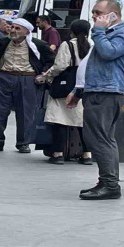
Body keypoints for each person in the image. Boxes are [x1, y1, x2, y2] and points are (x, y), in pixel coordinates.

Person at [67, 0, 124, 200]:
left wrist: (97, 31)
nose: (94, 17)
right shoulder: (106, 35)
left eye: (98, 13)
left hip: (107, 92)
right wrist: (79, 90)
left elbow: (108, 54)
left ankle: (110, 184)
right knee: (101, 138)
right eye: (94, 13)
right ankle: (107, 181)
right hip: (98, 90)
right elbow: (91, 64)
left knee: (99, 139)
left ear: (113, 15)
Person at [0, 18, 54, 154]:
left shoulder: (38, 45)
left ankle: (23, 142)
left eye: (17, 28)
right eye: (12, 27)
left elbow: (51, 60)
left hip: (27, 78)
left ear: (27, 32)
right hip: (4, 77)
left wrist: (43, 75)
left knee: (25, 112)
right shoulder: (3, 42)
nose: (13, 30)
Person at [39, 19, 93, 165]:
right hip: (85, 87)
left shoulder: (67, 45)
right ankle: (87, 154)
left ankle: (58, 154)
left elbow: (60, 66)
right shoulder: (92, 45)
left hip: (65, 87)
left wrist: (48, 76)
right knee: (82, 122)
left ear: (72, 31)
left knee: (60, 120)